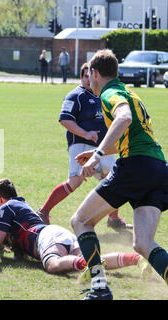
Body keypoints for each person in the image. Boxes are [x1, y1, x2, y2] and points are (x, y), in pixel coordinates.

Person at [70, 49, 168, 300]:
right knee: (143, 243)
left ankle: (100, 288)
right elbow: (131, 134)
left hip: (135, 166)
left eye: (88, 74)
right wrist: (97, 150)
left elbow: (123, 117)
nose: (88, 79)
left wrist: (98, 155)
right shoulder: (128, 91)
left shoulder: (109, 92)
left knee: (80, 221)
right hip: (157, 168)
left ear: (94, 73)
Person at [0, 179, 151, 278]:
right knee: (93, 259)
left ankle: (86, 265)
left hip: (44, 236)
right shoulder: (21, 204)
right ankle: (136, 259)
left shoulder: (6, 207)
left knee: (53, 264)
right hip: (58, 232)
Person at [36, 63, 131, 231]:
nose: (89, 79)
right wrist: (85, 133)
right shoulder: (75, 95)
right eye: (85, 76)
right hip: (81, 144)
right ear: (81, 77)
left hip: (102, 147)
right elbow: (64, 119)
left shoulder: (103, 95)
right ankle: (43, 212)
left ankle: (113, 219)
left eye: (91, 76)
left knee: (113, 179)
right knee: (75, 181)